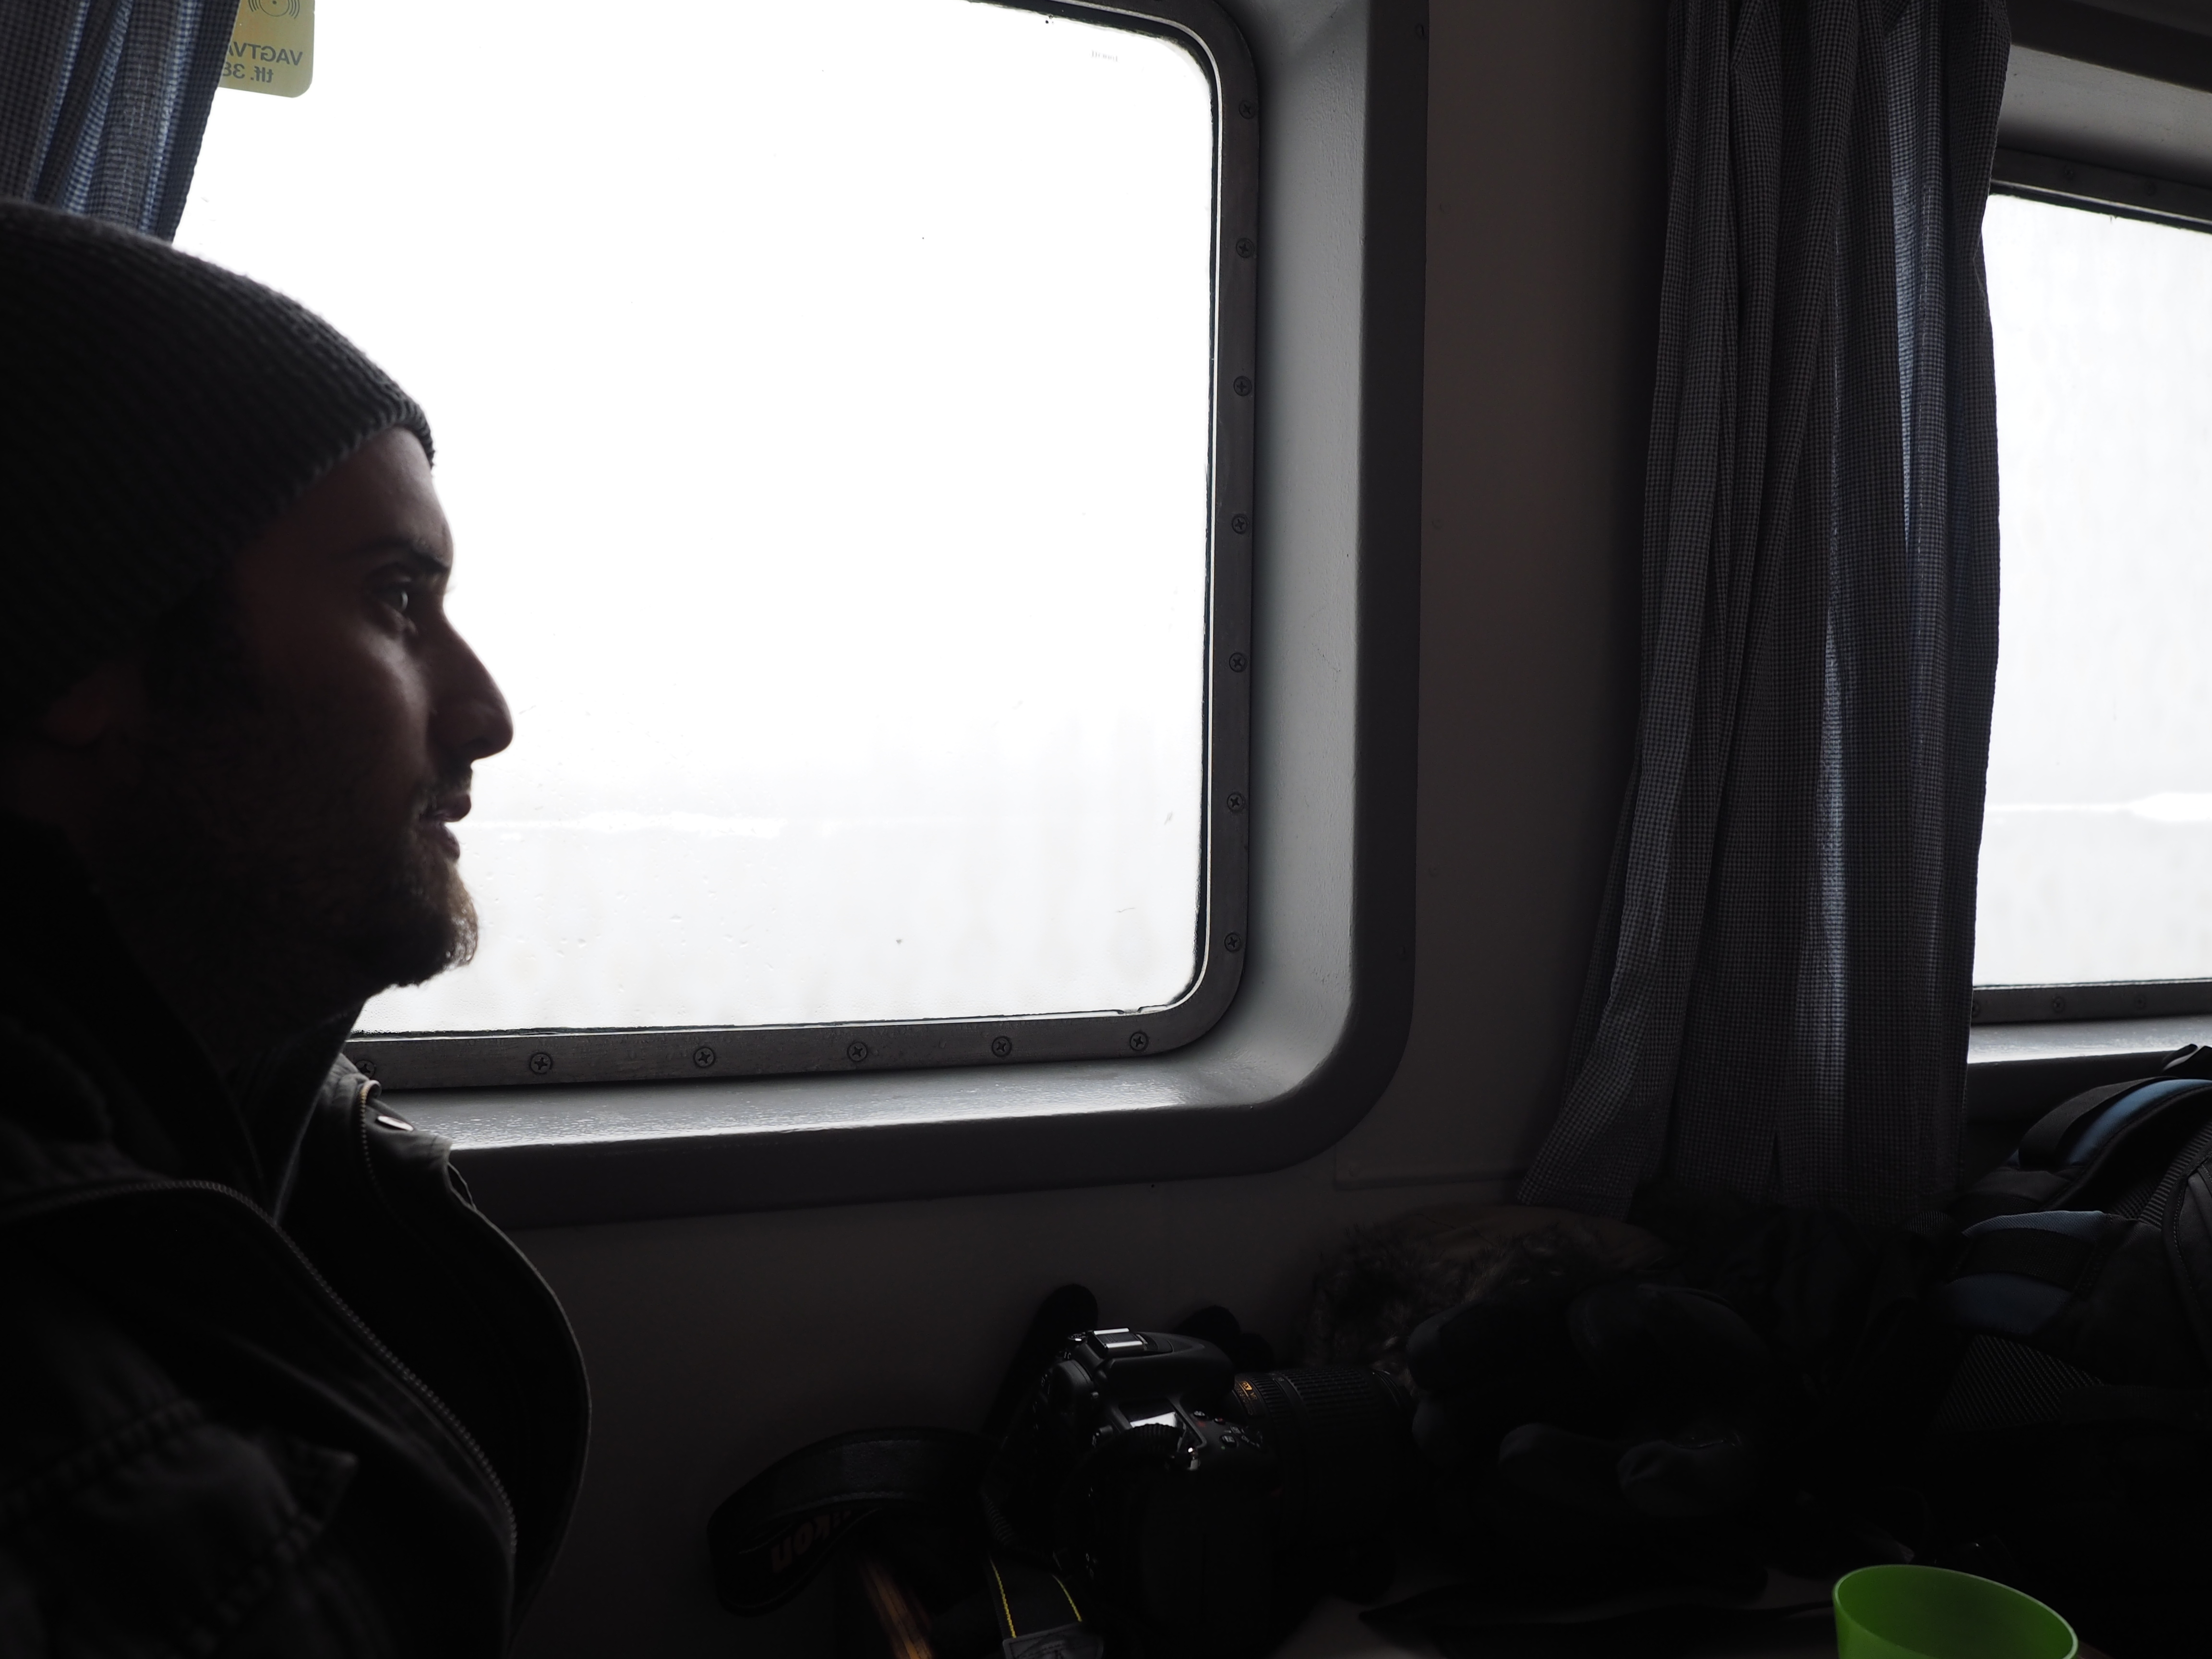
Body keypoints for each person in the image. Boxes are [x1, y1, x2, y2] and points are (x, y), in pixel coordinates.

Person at [0, 200, 588, 1655]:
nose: (486, 714)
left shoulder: (191, 1110)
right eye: (396, 600)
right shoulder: (112, 1510)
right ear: (82, 658)